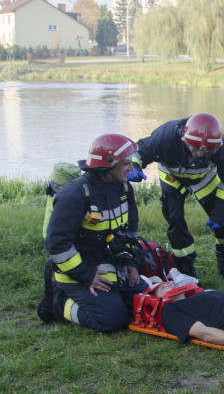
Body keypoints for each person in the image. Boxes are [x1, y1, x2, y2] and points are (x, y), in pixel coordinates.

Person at [44, 133, 150, 332]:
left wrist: (130, 262)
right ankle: (58, 304)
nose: (131, 168)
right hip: (77, 271)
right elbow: (57, 245)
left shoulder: (124, 188)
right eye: (126, 163)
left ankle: (111, 296)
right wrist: (86, 275)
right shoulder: (74, 195)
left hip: (110, 264)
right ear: (107, 166)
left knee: (143, 306)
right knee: (112, 320)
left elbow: (129, 230)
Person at [133, 113, 224, 280]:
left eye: (204, 151)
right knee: (175, 220)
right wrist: (134, 167)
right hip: (172, 177)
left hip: (204, 179)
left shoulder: (223, 147)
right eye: (193, 148)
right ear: (183, 139)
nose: (198, 154)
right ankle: (186, 268)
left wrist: (220, 214)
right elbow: (138, 151)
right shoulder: (165, 136)